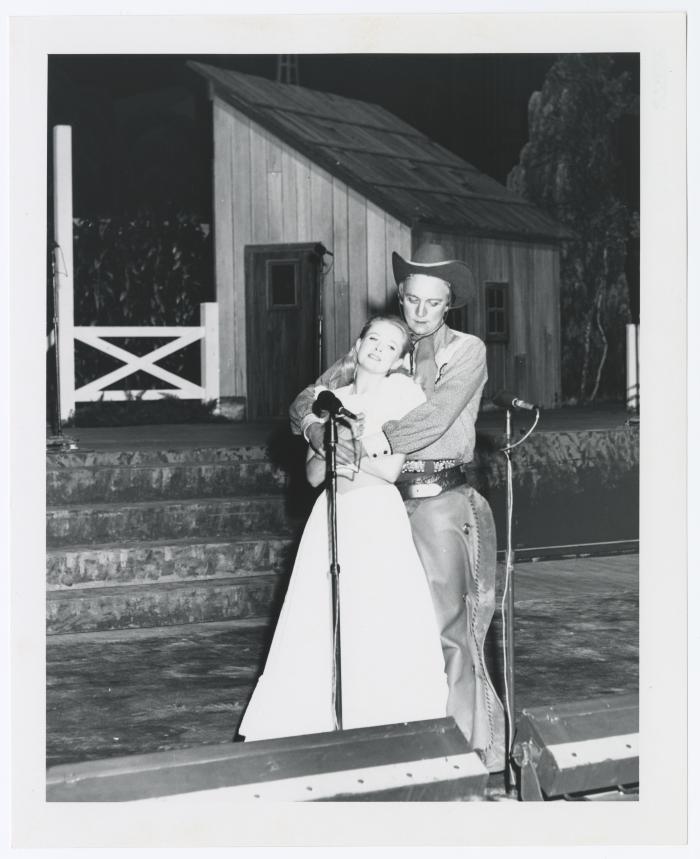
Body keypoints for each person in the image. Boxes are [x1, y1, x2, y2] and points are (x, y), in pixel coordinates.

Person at [289, 242, 506, 772]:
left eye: (433, 303)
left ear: (449, 303)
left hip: (436, 501)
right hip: (380, 507)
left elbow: (433, 419)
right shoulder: (383, 343)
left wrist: (361, 438)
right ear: (401, 296)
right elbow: (306, 399)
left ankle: (475, 749)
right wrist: (321, 429)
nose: (421, 313)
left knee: (451, 629)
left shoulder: (467, 350)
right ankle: (403, 748)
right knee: (390, 630)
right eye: (412, 300)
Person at [238, 316, 448, 741]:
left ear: (399, 359)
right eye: (372, 339)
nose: (377, 349)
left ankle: (378, 719)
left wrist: (351, 445)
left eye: (390, 346)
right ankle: (320, 722)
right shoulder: (331, 397)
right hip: (332, 514)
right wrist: (336, 443)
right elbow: (316, 475)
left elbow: (390, 469)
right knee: (322, 616)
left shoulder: (402, 393)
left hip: (374, 514)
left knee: (376, 617)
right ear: (357, 345)